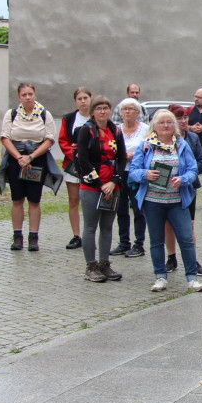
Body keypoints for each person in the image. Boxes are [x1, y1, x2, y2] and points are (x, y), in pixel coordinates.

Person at [128, 109, 202, 292]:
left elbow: (193, 169)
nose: (165, 125)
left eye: (169, 122)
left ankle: (192, 278)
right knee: (156, 240)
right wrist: (146, 174)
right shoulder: (146, 145)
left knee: (186, 238)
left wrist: (183, 179)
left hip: (177, 201)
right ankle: (160, 277)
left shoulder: (181, 145)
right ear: (154, 125)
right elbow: (133, 171)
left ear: (174, 126)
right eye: (161, 122)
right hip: (153, 201)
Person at [0, 83, 62, 251]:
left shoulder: (44, 114)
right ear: (19, 97)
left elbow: (49, 139)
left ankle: (34, 237)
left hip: (37, 160)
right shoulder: (11, 115)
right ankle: (17, 236)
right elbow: (5, 138)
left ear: (35, 95)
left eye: (30, 94)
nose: (27, 97)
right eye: (24, 94)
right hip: (16, 160)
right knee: (17, 199)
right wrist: (19, 157)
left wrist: (31, 157)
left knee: (34, 200)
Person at [74, 96, 127, 282]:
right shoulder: (86, 131)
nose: (102, 111)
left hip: (113, 185)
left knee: (107, 225)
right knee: (90, 226)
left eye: (106, 108)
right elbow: (83, 159)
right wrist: (99, 184)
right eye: (99, 108)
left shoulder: (116, 131)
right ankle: (91, 266)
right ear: (93, 111)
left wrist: (113, 181)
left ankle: (105, 263)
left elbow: (121, 158)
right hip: (92, 185)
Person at [164, 105, 202, 277]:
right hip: (169, 187)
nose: (183, 121)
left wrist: (187, 176)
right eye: (179, 118)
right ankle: (171, 258)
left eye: (185, 117)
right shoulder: (164, 138)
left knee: (189, 225)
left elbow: (201, 161)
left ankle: (193, 261)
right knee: (168, 224)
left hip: (188, 187)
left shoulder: (193, 137)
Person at [109, 98, 149, 258]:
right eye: (124, 109)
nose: (127, 112)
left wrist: (135, 155)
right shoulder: (116, 129)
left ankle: (139, 244)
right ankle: (123, 242)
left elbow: (150, 148)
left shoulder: (145, 129)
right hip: (119, 172)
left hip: (136, 172)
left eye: (131, 109)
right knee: (121, 208)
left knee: (138, 208)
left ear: (138, 112)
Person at [58, 87, 91, 250]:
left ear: (90, 99)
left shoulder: (97, 117)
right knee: (73, 200)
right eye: (80, 98)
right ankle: (76, 235)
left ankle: (89, 233)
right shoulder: (69, 119)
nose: (83, 101)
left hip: (92, 165)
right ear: (76, 101)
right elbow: (63, 140)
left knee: (90, 201)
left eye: (85, 98)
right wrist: (73, 155)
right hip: (72, 165)